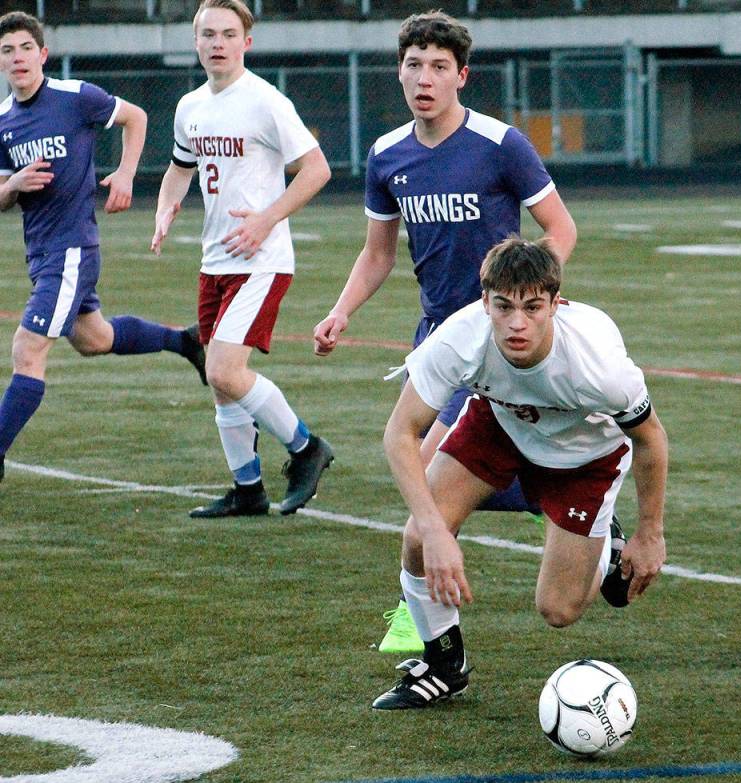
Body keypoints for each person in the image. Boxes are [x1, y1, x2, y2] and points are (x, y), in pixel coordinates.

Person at [312, 10, 577, 654]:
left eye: (438, 67)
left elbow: (561, 231)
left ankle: (423, 633)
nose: (423, 78)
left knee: (428, 482)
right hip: (436, 340)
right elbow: (378, 254)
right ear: (399, 72)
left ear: (461, 75)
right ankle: (560, 496)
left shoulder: (500, 143)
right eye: (412, 65)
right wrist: (342, 310)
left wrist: (525, 306)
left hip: (493, 338)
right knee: (438, 482)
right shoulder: (387, 154)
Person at [371, 237, 668, 710]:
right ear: (484, 301)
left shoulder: (597, 365)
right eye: (503, 306)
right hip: (501, 423)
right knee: (417, 537)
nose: (516, 323)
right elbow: (400, 433)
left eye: (532, 307)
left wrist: (650, 532)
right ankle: (444, 666)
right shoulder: (458, 337)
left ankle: (605, 549)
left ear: (556, 303)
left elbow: (650, 437)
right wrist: (434, 530)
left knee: (558, 609)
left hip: (584, 458)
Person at [0, 11, 206, 484]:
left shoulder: (75, 97)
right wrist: (14, 184)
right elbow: (1, 195)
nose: (18, 58)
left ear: (42, 55)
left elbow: (136, 117)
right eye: (8, 51)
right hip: (42, 252)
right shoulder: (5, 123)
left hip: (72, 250)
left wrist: (127, 173)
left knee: (27, 350)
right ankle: (185, 341)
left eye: (25, 48)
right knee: (94, 340)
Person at [150, 0, 333, 517]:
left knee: (225, 370)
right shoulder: (191, 107)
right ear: (196, 41)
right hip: (216, 260)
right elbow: (179, 170)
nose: (217, 43)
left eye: (228, 34)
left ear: (246, 43)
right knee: (220, 382)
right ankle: (247, 489)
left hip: (262, 259)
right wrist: (166, 209)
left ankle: (306, 448)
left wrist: (266, 219)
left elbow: (316, 170)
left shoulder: (266, 101)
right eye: (208, 34)